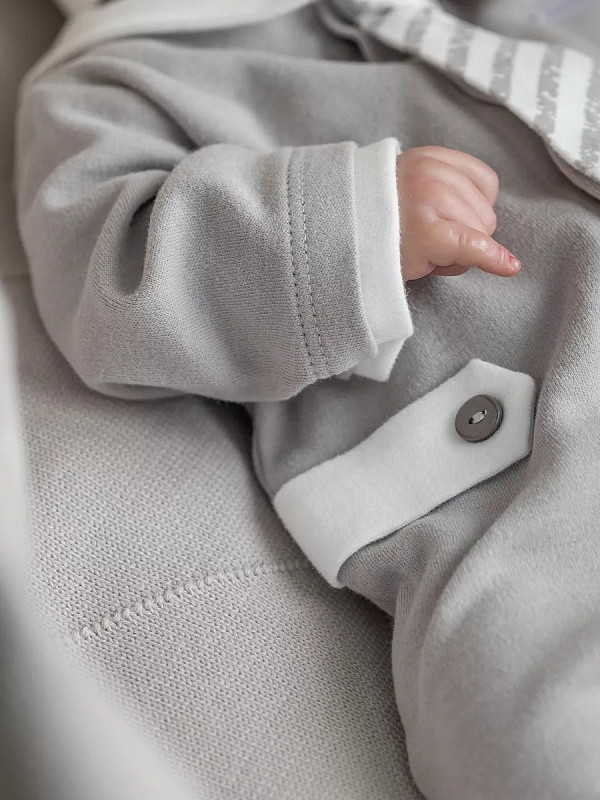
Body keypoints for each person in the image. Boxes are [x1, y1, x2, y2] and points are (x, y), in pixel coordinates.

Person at [16, 0, 600, 797]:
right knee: (533, 715)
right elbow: (115, 283)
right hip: (502, 459)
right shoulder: (108, 82)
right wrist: (348, 218)